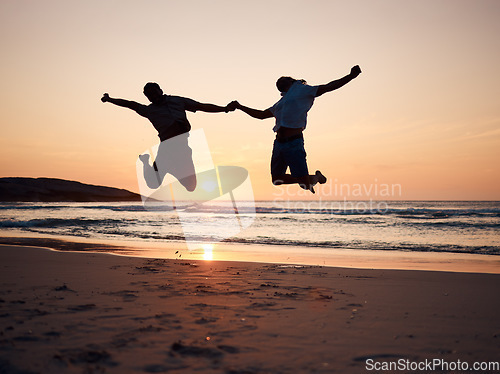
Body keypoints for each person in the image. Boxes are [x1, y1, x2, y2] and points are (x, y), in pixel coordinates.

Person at [231, 66, 361, 193]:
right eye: (278, 82)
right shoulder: (281, 103)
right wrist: (240, 106)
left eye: (283, 79)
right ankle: (306, 179)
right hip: (279, 143)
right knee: (277, 180)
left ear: (291, 80)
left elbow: (329, 86)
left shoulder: (303, 90)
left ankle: (316, 178)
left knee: (304, 185)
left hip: (294, 143)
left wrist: (350, 76)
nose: (279, 80)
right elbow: (261, 115)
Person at [101, 83, 236, 191]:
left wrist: (224, 109)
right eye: (149, 95)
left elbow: (201, 106)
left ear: (160, 90)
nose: (153, 96)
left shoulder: (177, 101)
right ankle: (146, 162)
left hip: (183, 148)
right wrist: (109, 99)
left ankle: (173, 169)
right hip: (166, 149)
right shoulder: (149, 110)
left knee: (191, 187)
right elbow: (130, 104)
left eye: (154, 92)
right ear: (147, 97)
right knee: (153, 185)